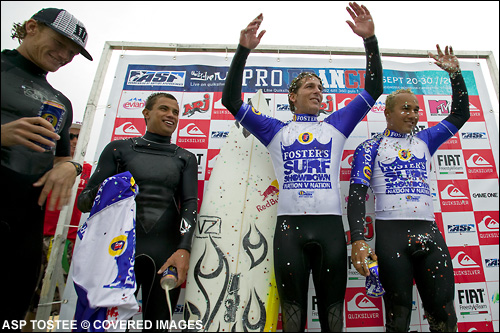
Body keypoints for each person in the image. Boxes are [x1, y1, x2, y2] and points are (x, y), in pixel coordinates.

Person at [221, 2, 383, 331]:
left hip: (330, 231)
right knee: (292, 313)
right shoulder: (274, 130)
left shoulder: (336, 125)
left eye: (321, 89)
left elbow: (374, 89)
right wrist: (242, 51)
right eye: (310, 87)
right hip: (289, 230)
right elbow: (231, 101)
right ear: (292, 97)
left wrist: (370, 41)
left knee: (334, 312)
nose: (318, 93)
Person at [348, 45, 468, 332]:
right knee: (398, 318)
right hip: (392, 236)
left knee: (444, 314)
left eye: (416, 109)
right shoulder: (369, 147)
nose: (413, 114)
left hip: (429, 231)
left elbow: (460, 114)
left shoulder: (426, 140)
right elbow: (356, 197)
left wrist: (455, 75)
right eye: (406, 108)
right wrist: (358, 240)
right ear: (387, 113)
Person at [1, 8, 92, 325]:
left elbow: (62, 159)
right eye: (60, 43)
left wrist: (71, 168)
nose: (65, 55)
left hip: (24, 226)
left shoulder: (61, 101)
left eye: (73, 52)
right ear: (31, 28)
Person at [77, 92, 198, 326]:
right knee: (110, 327)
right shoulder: (119, 150)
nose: (171, 115)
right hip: (117, 254)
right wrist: (112, 188)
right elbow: (84, 202)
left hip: (166, 251)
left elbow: (190, 204)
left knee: (158, 326)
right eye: (164, 109)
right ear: (146, 113)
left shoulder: (185, 157)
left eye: (175, 112)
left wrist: (184, 249)